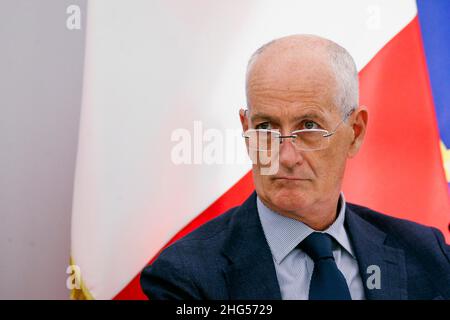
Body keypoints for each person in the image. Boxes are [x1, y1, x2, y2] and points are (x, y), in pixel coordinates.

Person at [140, 35, 450, 300]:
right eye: (266, 128)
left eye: (309, 126)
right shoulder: (185, 276)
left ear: (354, 132)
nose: (286, 156)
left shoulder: (427, 254)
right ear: (246, 132)